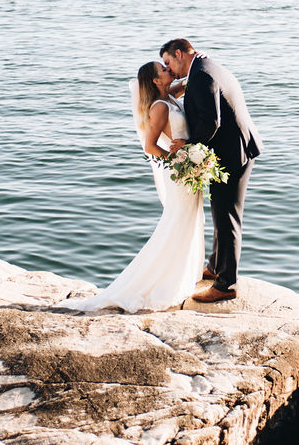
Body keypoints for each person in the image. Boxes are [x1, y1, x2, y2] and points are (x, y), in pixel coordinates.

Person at [59, 61, 205, 313]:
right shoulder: (159, 107)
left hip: (189, 168)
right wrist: (178, 160)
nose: (169, 70)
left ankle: (182, 272)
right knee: (177, 222)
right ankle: (156, 281)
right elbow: (150, 146)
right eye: (163, 69)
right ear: (156, 81)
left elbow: (192, 80)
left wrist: (198, 63)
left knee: (191, 221)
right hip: (180, 172)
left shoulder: (169, 96)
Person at [160, 39, 261, 303]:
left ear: (179, 53)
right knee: (220, 210)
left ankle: (226, 285)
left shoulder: (202, 75)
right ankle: (216, 267)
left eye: (168, 62)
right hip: (232, 148)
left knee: (226, 217)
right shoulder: (203, 67)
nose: (168, 69)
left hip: (232, 153)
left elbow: (211, 121)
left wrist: (188, 147)